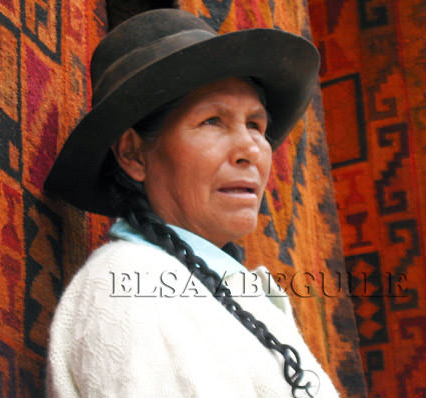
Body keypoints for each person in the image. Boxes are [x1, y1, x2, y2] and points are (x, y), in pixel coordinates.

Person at [44, 8, 339, 398]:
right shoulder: (130, 287)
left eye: (256, 125)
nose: (250, 150)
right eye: (213, 121)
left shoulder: (224, 290)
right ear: (133, 154)